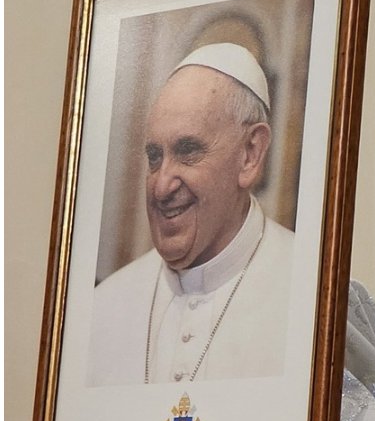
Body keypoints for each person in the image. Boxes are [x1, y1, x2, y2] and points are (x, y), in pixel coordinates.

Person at [87, 43, 295, 386]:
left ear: (250, 154)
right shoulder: (102, 308)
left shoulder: (314, 295)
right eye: (155, 157)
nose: (161, 186)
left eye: (188, 152)